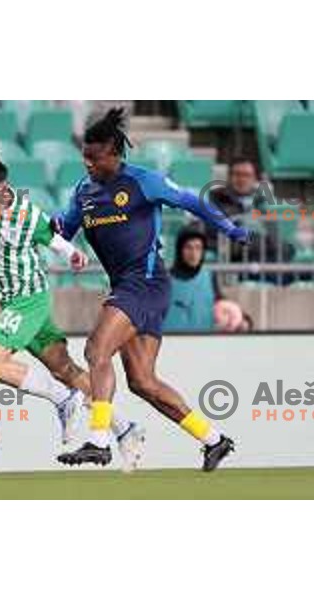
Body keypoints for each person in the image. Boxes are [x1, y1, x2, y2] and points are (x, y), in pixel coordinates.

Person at [54, 108, 250, 471]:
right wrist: (38, 228)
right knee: (142, 382)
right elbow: (62, 230)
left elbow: (193, 202)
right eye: (84, 157)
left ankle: (99, 440)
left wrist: (230, 229)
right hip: (126, 286)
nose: (88, 164)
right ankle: (214, 439)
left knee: (96, 349)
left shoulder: (144, 182)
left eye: (94, 158)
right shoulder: (83, 192)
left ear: (114, 153)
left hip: (145, 283)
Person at [0, 155, 146, 470]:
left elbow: (54, 241)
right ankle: (124, 428)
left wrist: (73, 255)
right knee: (65, 369)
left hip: (28, 300)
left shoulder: (27, 214)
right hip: (12, 301)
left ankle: (62, 398)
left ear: (3, 188)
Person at [163, 226, 222, 332]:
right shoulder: (164, 280)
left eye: (198, 248)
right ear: (179, 250)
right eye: (188, 247)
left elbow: (222, 306)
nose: (193, 253)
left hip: (204, 344)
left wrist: (243, 320)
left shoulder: (210, 277)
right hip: (171, 344)